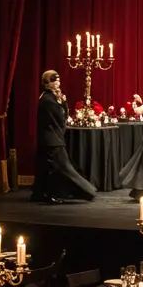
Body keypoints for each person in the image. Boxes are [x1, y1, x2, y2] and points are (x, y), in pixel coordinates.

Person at [31, 70, 97, 203]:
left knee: (47, 169)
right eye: (55, 80)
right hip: (52, 140)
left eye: (59, 80)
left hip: (50, 139)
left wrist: (62, 103)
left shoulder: (48, 98)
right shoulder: (48, 100)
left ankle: (40, 194)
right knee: (63, 168)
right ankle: (86, 192)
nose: (58, 83)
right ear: (48, 83)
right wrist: (62, 104)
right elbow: (61, 119)